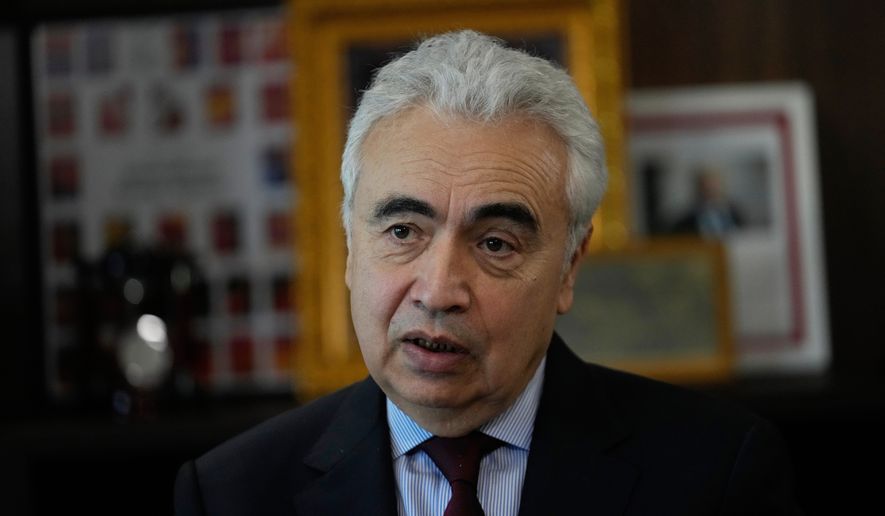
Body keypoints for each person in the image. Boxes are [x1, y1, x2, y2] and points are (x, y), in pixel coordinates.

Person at [175, 30, 799, 515]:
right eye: (402, 232)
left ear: (568, 269)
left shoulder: (717, 477)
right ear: (349, 247)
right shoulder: (230, 494)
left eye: (496, 243)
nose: (439, 291)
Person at [671, 165, 746, 238]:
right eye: (706, 186)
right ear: (698, 188)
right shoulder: (685, 221)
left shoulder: (736, 213)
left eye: (715, 185)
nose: (711, 189)